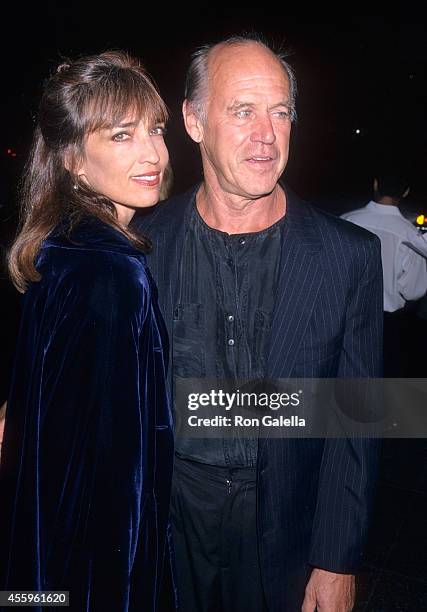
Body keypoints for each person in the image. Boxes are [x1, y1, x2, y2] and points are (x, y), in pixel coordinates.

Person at [132, 35, 382, 611]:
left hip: (286, 540)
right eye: (242, 111)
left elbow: (359, 418)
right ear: (193, 121)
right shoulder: (140, 250)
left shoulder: (348, 256)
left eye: (280, 112)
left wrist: (337, 559)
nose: (266, 134)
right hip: (166, 533)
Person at [0, 51, 174, 612]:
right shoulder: (109, 271)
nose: (153, 153)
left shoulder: (64, 245)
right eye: (122, 135)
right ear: (73, 159)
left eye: (154, 129)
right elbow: (113, 489)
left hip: (42, 560)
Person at [342, 174, 427, 375]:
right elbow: (413, 290)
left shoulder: (346, 220)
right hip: (386, 324)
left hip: (345, 318)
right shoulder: (410, 235)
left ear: (375, 184)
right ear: (405, 192)